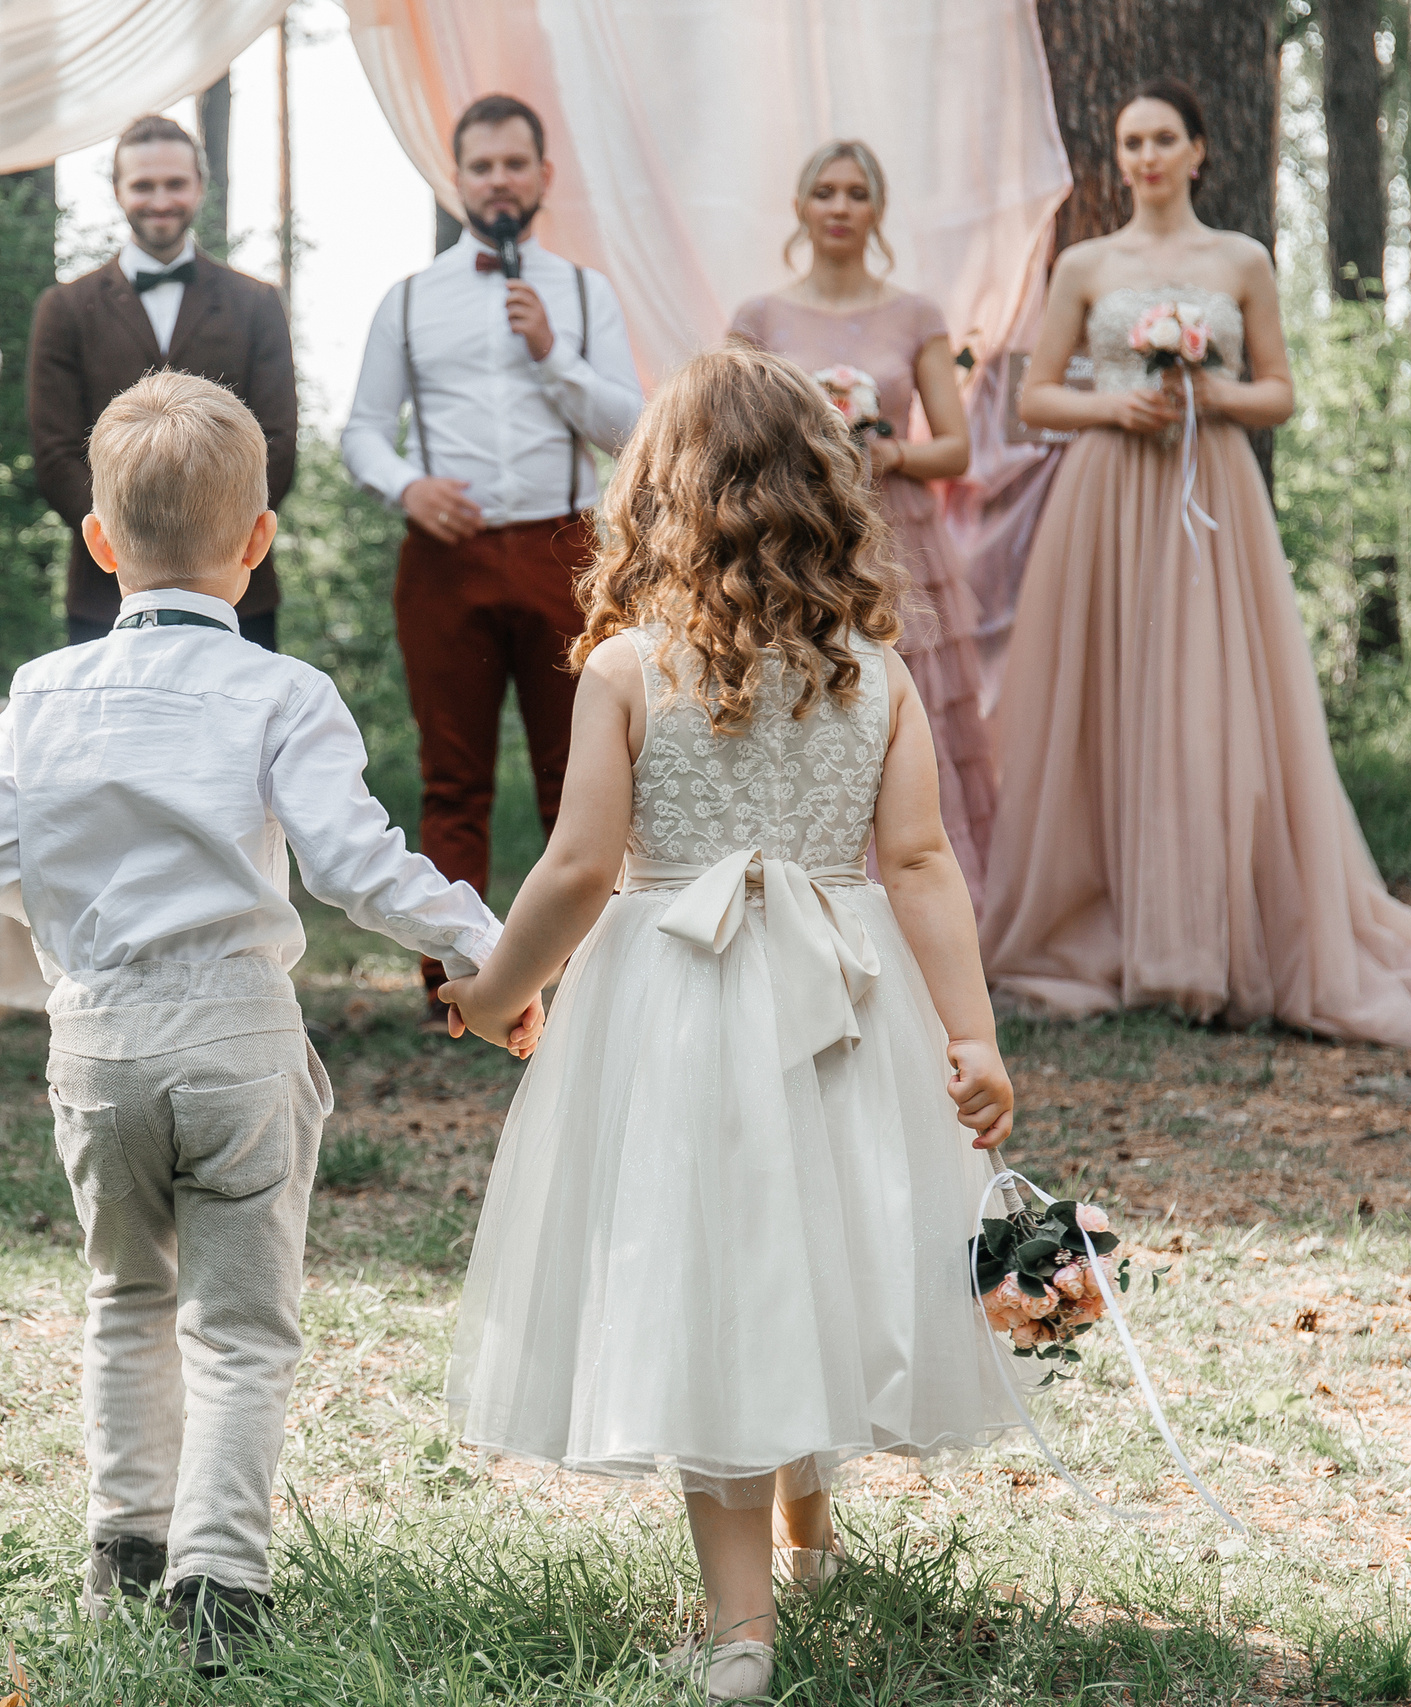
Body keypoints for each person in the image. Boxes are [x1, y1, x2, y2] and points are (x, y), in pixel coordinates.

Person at [437, 345, 1019, 1703]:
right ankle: (808, 1543)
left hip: (677, 996)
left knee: (709, 1272)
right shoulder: (876, 671)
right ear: (826, 494)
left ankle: (739, 1629)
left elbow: (580, 866)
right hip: (843, 987)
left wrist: (498, 987)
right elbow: (923, 863)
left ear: (657, 499)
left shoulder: (628, 668)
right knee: (810, 1234)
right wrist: (972, 1034)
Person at [0, 374, 525, 1676]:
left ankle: (124, 1548)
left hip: (96, 1032)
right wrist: (485, 941)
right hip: (235, 1033)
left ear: (98, 541)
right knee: (242, 1321)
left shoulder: (42, 691)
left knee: (124, 1293)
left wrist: (70, 915)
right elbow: (353, 864)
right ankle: (222, 1577)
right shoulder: (284, 694)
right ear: (258, 541)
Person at [984, 78, 1411, 1047]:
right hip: (1106, 498)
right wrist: (1116, 405)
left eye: (1163, 139)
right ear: (1116, 158)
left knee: (1205, 707)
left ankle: (1211, 937)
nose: (1145, 157)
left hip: (1209, 500)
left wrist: (1208, 390)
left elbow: (1276, 393)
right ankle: (1112, 925)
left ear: (1199, 151)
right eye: (1130, 142)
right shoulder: (1083, 264)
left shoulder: (1238, 260)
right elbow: (1034, 398)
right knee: (1113, 702)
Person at [342, 93, 643, 1026]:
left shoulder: (586, 293)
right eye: (482, 166)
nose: (499, 181)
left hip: (567, 548)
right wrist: (407, 487)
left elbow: (631, 427)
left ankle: (587, 977)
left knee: (580, 770)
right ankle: (455, 988)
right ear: (458, 178)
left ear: (543, 178)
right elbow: (359, 431)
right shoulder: (407, 301)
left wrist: (554, 354)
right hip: (448, 557)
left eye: (516, 165)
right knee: (455, 774)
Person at [730, 140, 1000, 908]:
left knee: (903, 712)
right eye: (826, 192)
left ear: (877, 209)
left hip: (895, 539)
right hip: (792, 542)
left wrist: (891, 450)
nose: (840, 207)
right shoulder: (758, 316)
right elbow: (726, 436)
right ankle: (800, 900)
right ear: (801, 207)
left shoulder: (917, 314)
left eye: (856, 193)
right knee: (804, 706)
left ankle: (930, 907)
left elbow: (955, 445)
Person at [29, 114, 297, 648]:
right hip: (106, 592)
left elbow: (279, 445)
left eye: (175, 183)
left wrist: (212, 543)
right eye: (143, 185)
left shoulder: (256, 304)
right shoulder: (65, 309)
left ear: (199, 185)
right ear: (117, 190)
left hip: (235, 589)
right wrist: (135, 545)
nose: (160, 200)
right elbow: (56, 455)